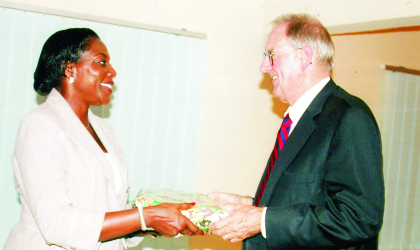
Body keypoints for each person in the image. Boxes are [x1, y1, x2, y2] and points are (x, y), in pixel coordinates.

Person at [4, 28, 201, 250]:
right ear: (69, 69)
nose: (113, 72)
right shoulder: (40, 124)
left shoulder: (103, 129)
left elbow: (105, 209)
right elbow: (56, 223)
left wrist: (155, 220)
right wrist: (145, 217)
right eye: (101, 62)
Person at [209, 13, 384, 250]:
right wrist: (251, 206)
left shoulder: (349, 116)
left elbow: (358, 218)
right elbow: (304, 201)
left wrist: (260, 219)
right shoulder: (298, 119)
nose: (263, 67)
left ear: (303, 58)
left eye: (271, 56)